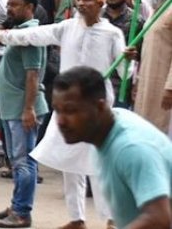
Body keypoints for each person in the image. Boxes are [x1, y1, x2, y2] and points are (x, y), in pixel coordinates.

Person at [0, 0, 124, 229]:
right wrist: (2, 35)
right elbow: (35, 35)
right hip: (69, 107)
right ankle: (77, 219)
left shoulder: (112, 34)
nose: (82, 3)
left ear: (101, 4)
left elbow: (124, 73)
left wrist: (129, 58)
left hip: (97, 109)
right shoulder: (68, 27)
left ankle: (110, 219)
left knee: (98, 166)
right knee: (70, 166)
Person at [51, 67, 172, 229]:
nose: (61, 121)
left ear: (100, 107)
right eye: (57, 111)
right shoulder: (111, 124)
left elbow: (159, 219)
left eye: (70, 111)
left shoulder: (131, 148)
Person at [0, 0, 48, 228]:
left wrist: (29, 109)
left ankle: (22, 213)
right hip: (12, 109)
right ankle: (16, 205)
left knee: (24, 162)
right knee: (17, 161)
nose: (9, 8)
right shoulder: (19, 32)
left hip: (23, 110)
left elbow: (32, 75)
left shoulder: (30, 35)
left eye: (15, 5)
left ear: (30, 8)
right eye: (9, 4)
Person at [134, 0, 172, 137]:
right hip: (146, 79)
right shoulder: (154, 10)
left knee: (160, 128)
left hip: (163, 83)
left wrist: (170, 88)